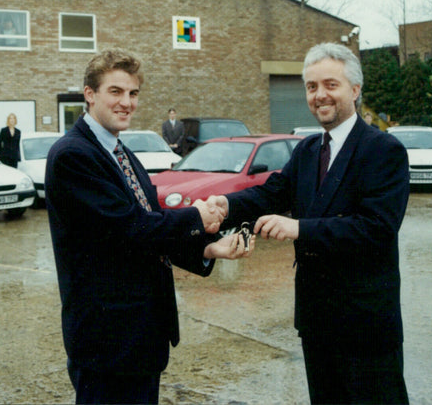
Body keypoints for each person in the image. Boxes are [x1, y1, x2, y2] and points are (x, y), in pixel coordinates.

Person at [205, 42, 410, 405]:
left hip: (366, 327)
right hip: (317, 323)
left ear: (355, 90)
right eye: (312, 87)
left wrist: (300, 228)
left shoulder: (383, 150)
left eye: (331, 84)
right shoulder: (308, 150)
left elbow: (376, 229)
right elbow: (270, 195)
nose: (319, 95)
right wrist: (226, 204)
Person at [45, 49, 253, 404]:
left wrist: (207, 246)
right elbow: (131, 228)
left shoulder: (121, 152)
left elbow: (149, 227)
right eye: (116, 92)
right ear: (89, 94)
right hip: (108, 344)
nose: (127, 102)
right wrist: (196, 217)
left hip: (139, 339)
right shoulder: (74, 155)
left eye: (133, 93)